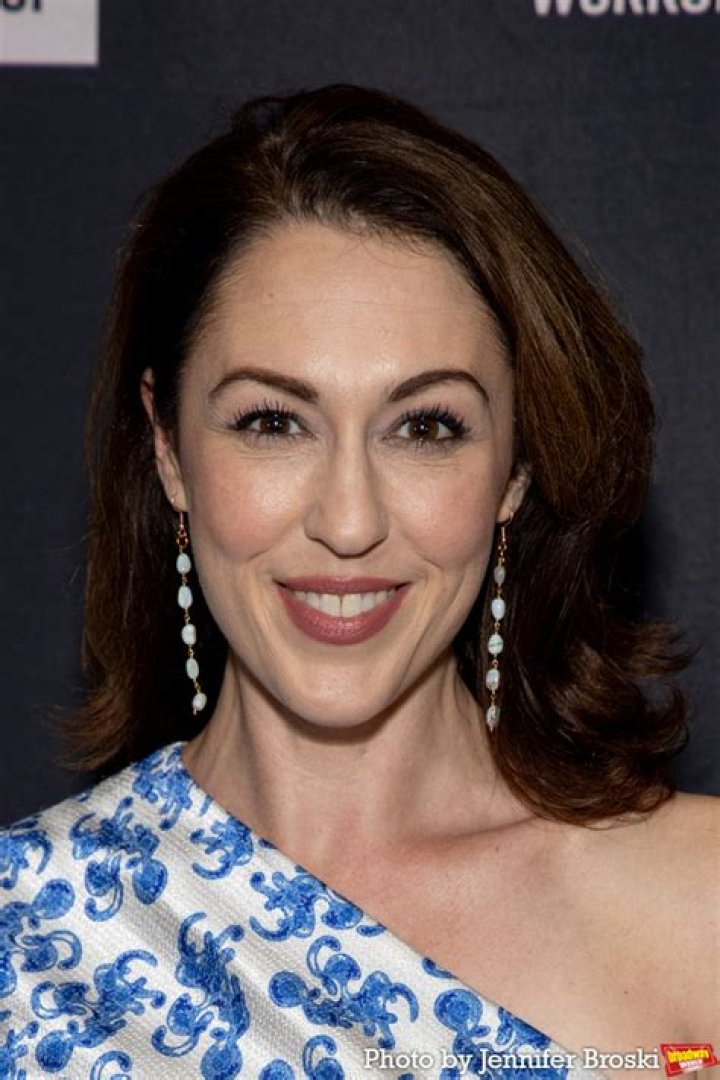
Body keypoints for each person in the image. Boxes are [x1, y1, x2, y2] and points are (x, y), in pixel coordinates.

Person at [0, 84, 717, 1080]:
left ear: (515, 468)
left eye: (425, 427)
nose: (348, 522)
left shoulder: (700, 909)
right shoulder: (25, 938)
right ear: (168, 448)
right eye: (272, 422)